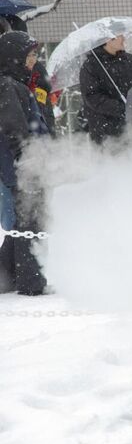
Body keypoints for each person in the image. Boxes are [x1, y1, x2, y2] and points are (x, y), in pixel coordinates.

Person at [0, 31, 49, 295]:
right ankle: (31, 281)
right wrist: (27, 161)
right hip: (21, 166)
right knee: (30, 222)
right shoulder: (8, 84)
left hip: (25, 163)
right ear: (14, 57)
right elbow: (14, 128)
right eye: (29, 55)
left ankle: (6, 277)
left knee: (24, 223)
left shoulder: (17, 83)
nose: (33, 61)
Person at [79, 34, 132, 144]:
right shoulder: (90, 66)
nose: (124, 38)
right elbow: (92, 97)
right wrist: (122, 108)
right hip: (105, 132)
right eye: (119, 36)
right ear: (107, 40)